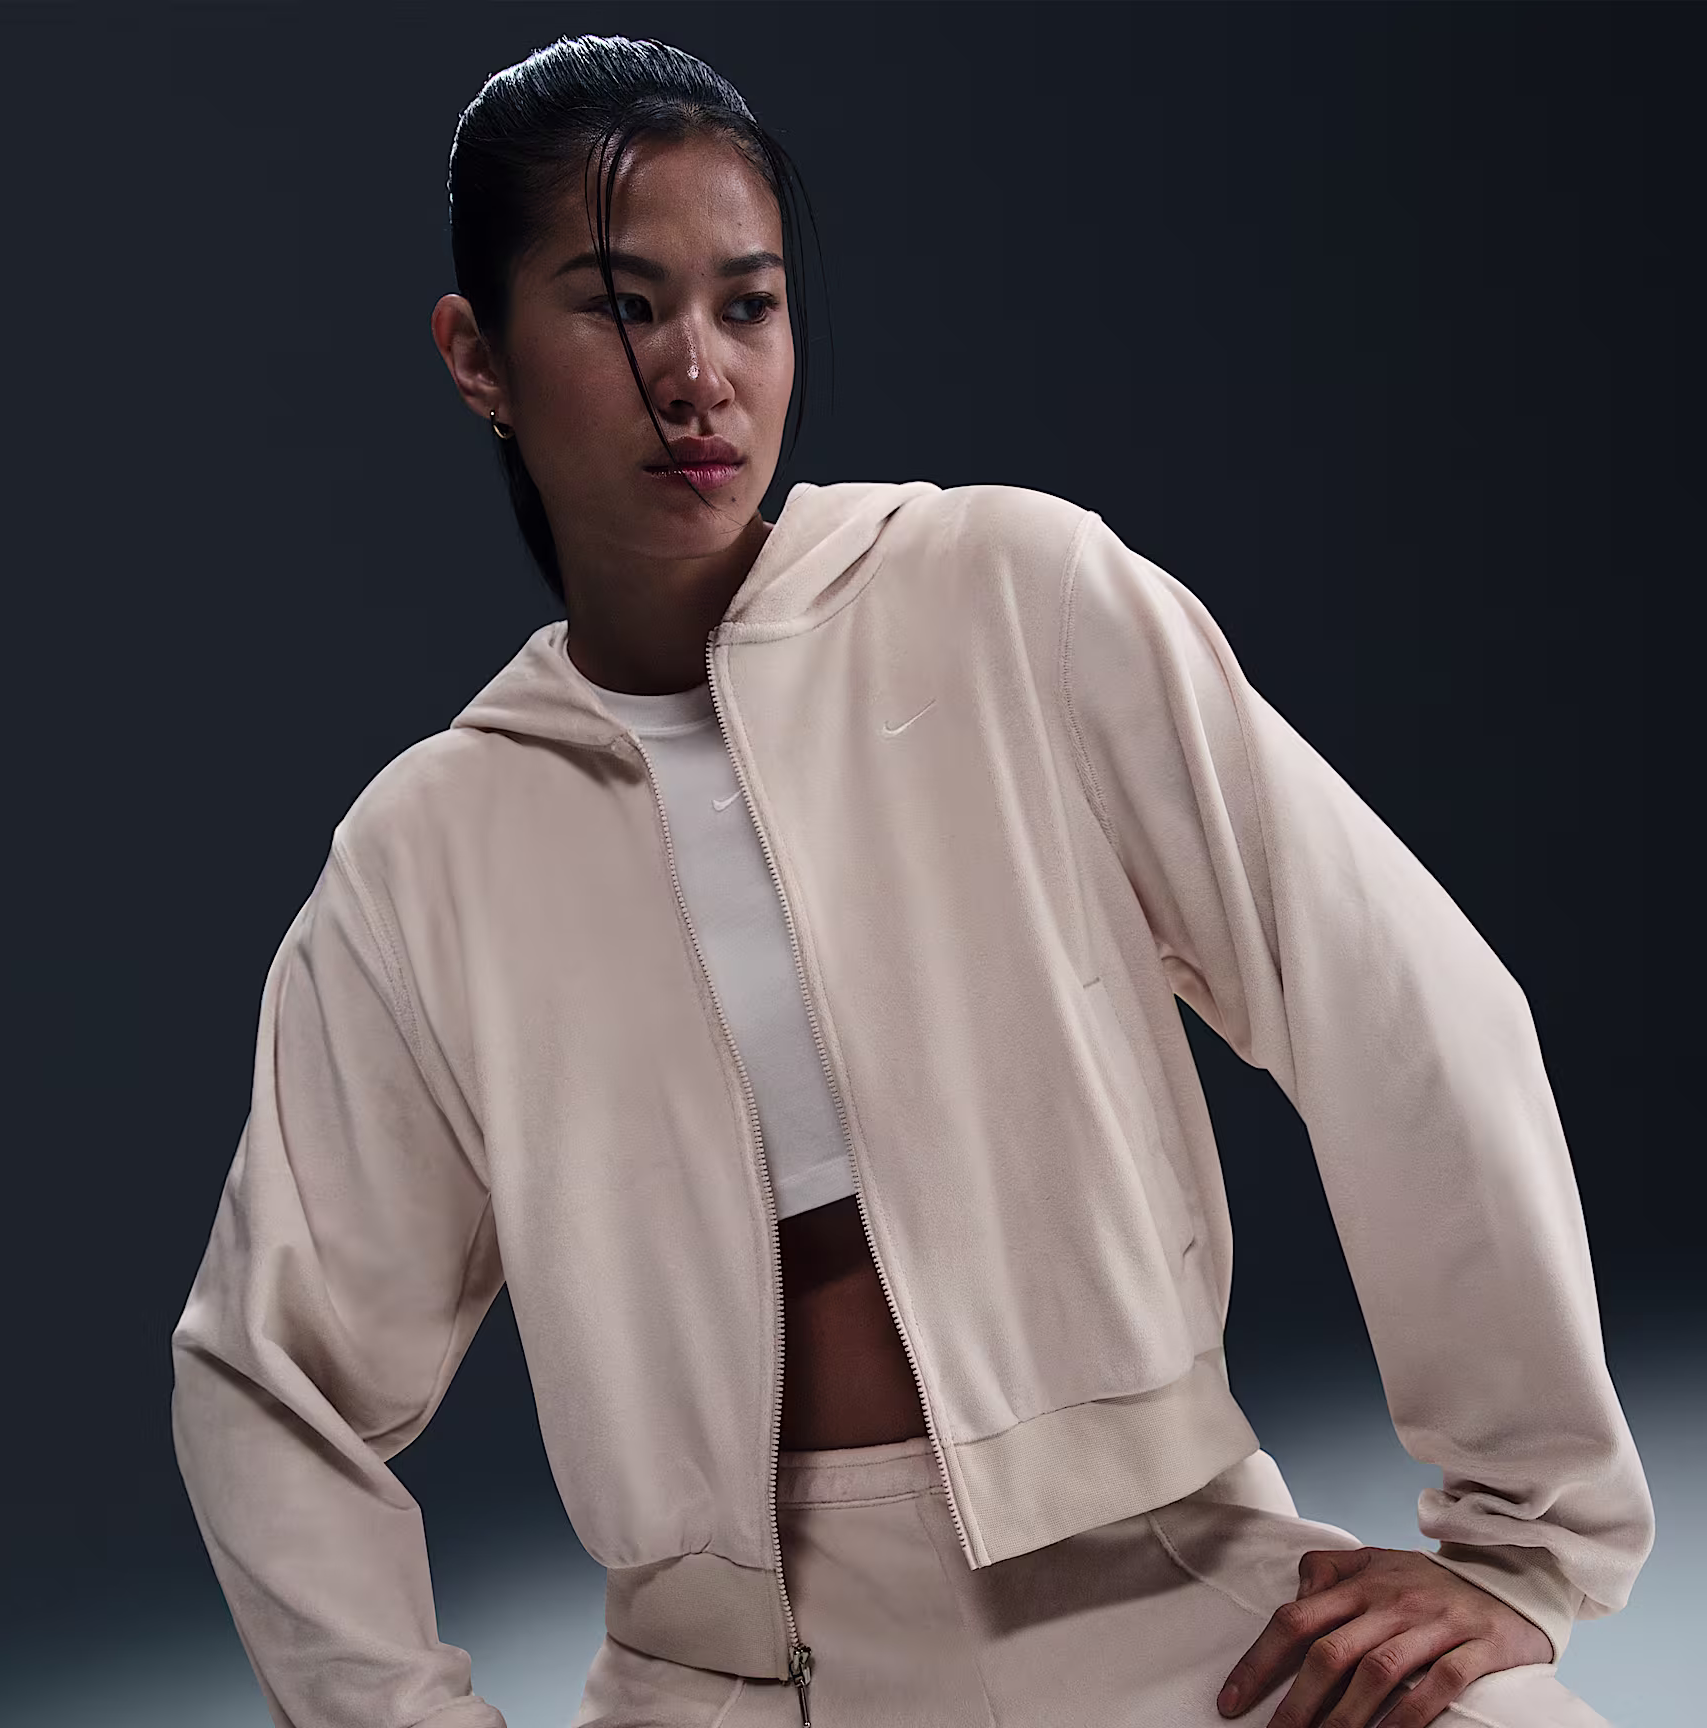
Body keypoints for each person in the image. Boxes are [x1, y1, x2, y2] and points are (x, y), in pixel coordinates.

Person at [168, 33, 1654, 1728]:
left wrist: (1524, 1540)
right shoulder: (424, 857)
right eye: (621, 305)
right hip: (727, 1684)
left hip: (1171, 1604)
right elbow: (268, 1373)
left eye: (747, 304)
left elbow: (1404, 1005)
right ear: (476, 357)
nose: (697, 374)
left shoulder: (1015, 596)